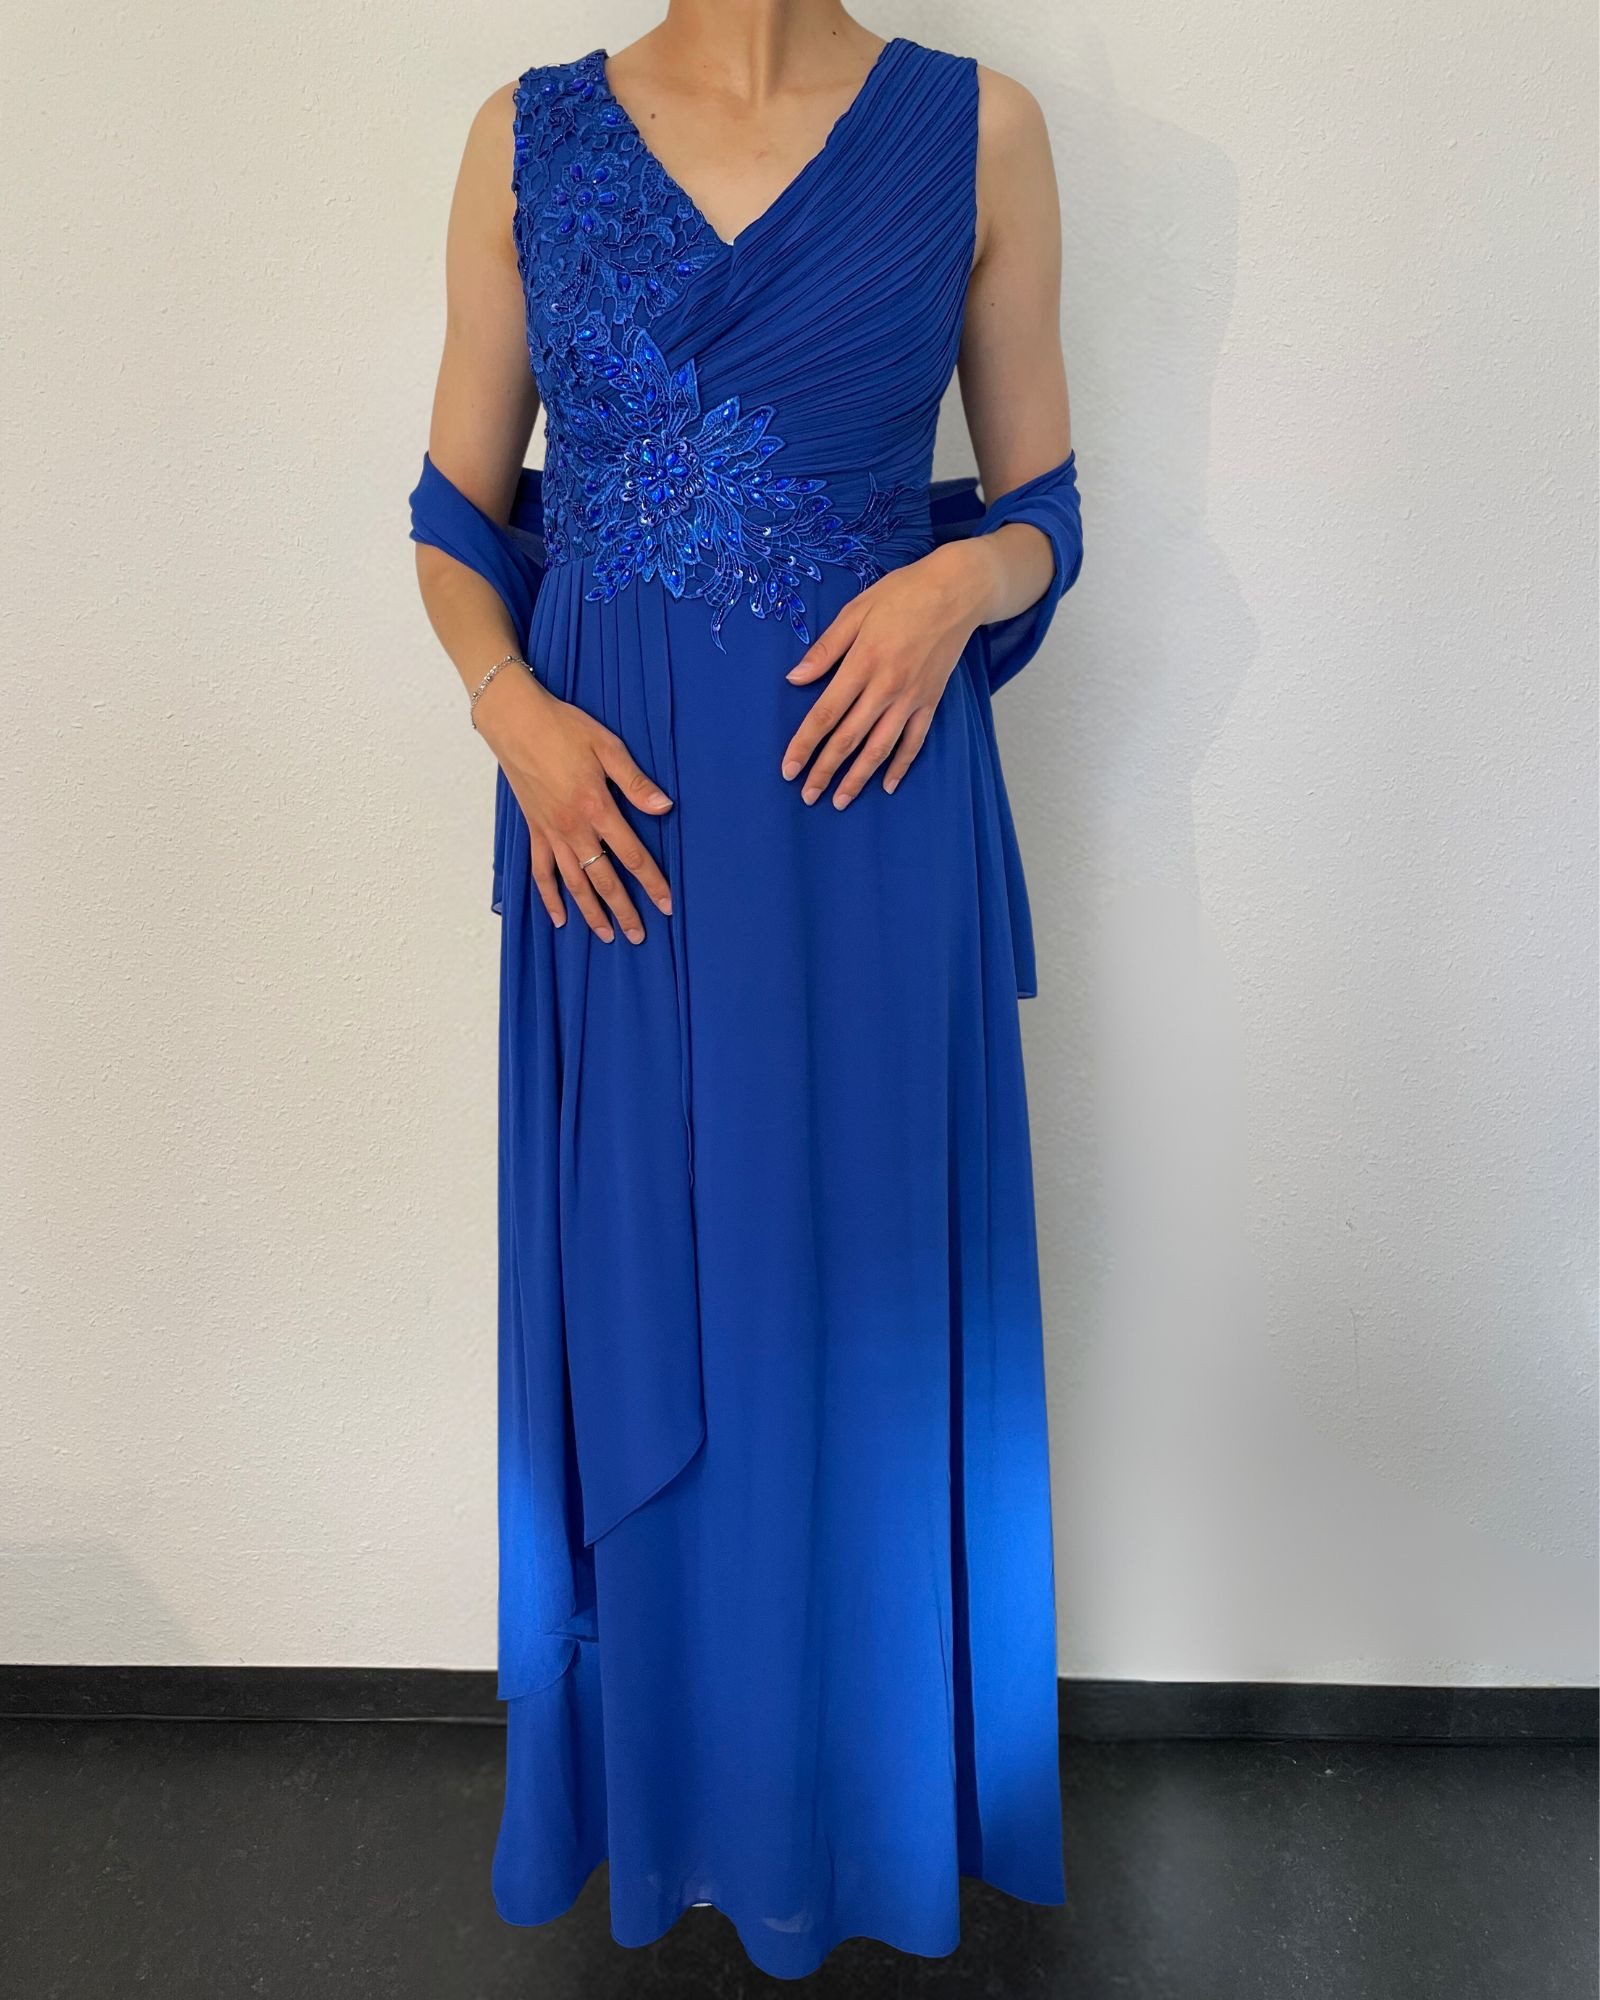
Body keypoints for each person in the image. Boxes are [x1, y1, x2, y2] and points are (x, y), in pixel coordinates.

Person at [410, 2, 1083, 1979]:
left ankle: (865, 1812)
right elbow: (451, 518)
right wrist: (510, 710)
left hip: (871, 820)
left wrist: (960, 582)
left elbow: (1046, 513)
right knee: (645, 1285)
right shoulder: (525, 139)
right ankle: (679, 1800)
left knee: (858, 1303)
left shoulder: (980, 133)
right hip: (610, 827)